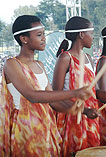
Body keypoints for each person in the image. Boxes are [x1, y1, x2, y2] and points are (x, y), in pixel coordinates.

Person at [0, 15, 92, 156]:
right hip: (24, 129)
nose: (44, 38)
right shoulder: (12, 64)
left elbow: (53, 103)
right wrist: (74, 93)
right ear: (24, 39)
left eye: (43, 34)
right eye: (39, 35)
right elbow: (33, 96)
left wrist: (83, 111)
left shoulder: (40, 65)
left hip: (45, 126)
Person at [52, 16, 100, 156]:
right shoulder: (65, 58)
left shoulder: (88, 58)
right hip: (71, 116)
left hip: (90, 115)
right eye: (91, 33)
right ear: (81, 34)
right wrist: (83, 110)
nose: (93, 37)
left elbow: (92, 90)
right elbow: (56, 95)